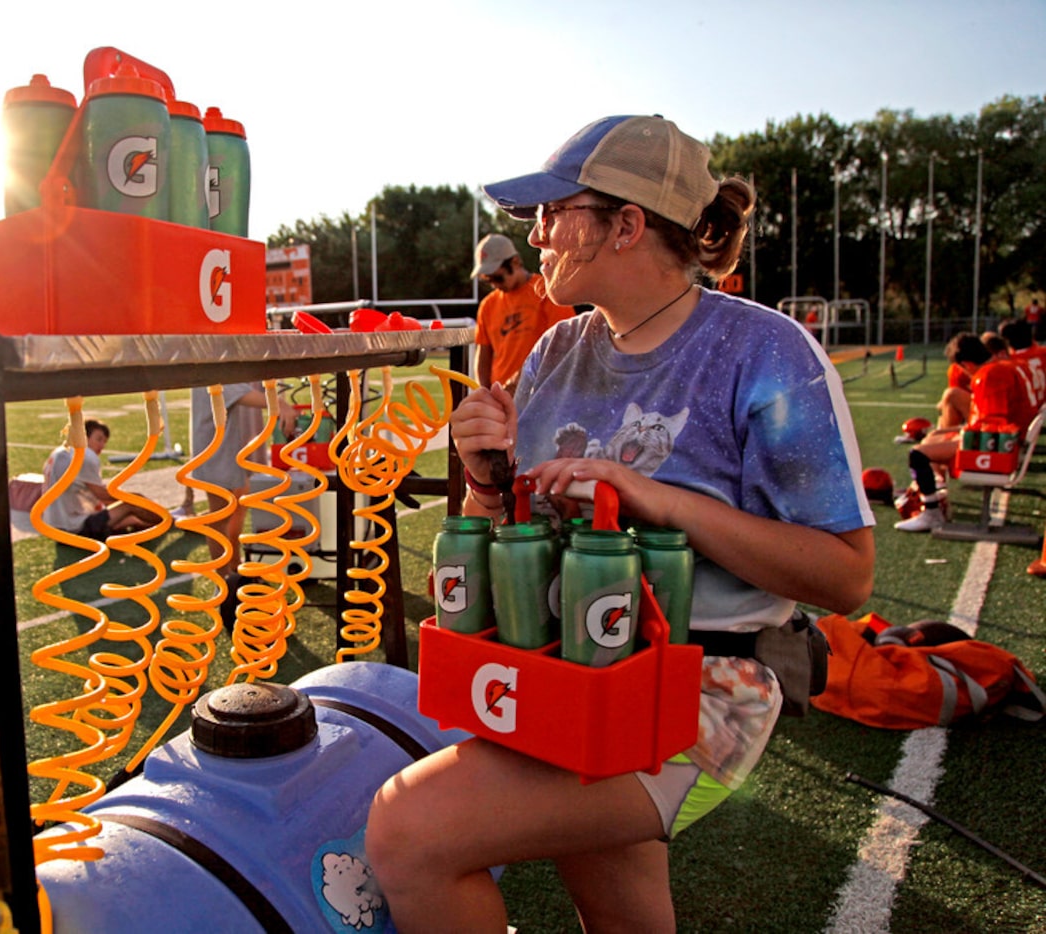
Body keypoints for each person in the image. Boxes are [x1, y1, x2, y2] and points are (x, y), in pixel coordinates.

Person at [365, 115, 875, 932]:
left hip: (707, 685)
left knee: (408, 830)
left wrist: (660, 500)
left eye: (553, 212)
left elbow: (847, 578)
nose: (532, 236)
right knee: (621, 913)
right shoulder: (556, 350)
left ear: (627, 224)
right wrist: (486, 481)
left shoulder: (763, 351)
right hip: (565, 671)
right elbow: (492, 535)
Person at [894, 332, 1037, 532]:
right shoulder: (1006, 366)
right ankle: (934, 488)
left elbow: (992, 427)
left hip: (1002, 447)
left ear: (967, 364)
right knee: (933, 438)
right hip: (1011, 438)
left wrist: (956, 437)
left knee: (918, 454)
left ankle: (932, 512)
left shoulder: (988, 376)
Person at [188, 382, 278, 564]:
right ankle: (223, 578)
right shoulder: (212, 361)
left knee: (238, 504)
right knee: (220, 514)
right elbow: (237, 392)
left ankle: (234, 565)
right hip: (215, 442)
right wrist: (279, 405)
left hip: (234, 438)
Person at [471, 233, 572, 393]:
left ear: (516, 262)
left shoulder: (547, 293)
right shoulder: (488, 305)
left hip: (542, 393)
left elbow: (564, 345)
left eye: (497, 278)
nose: (494, 285)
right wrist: (485, 392)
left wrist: (522, 379)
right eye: (488, 280)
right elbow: (483, 357)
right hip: (502, 396)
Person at [40, 418, 157, 539]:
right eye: (99, 439)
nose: (102, 445)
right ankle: (167, 520)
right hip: (75, 528)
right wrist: (134, 497)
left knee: (133, 519)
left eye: (104, 441)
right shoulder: (85, 455)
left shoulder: (59, 452)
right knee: (133, 502)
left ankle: (149, 521)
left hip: (55, 528)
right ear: (85, 437)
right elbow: (102, 496)